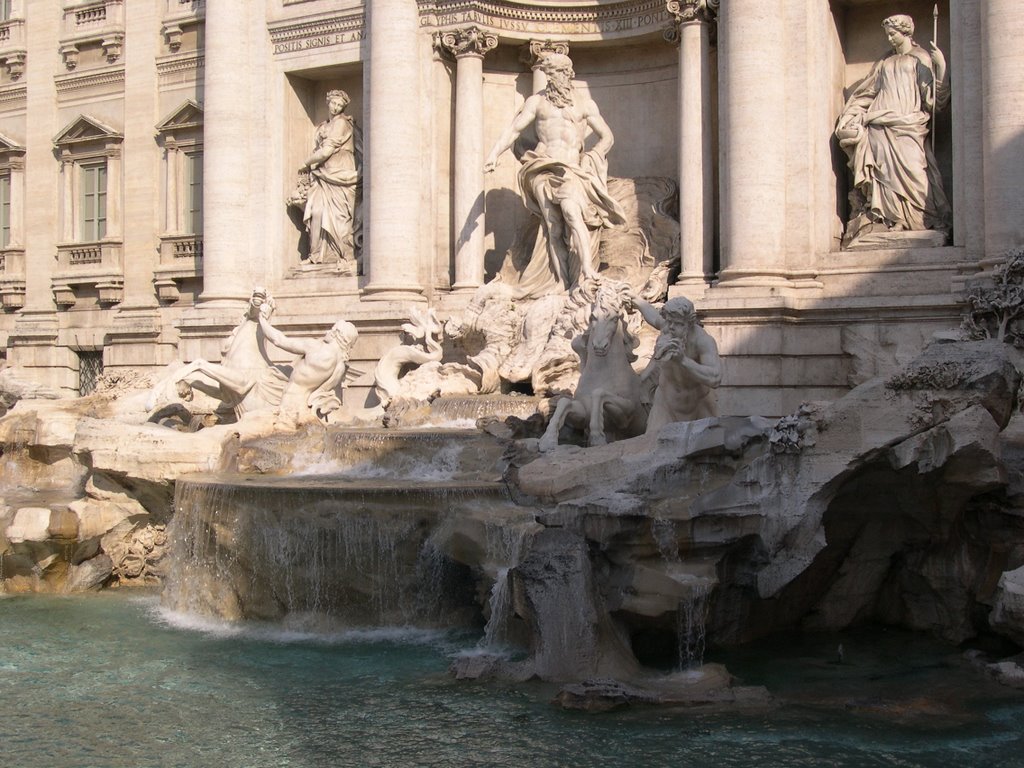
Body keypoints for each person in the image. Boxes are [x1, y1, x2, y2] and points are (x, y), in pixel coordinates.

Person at [484, 53, 626, 295]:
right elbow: (514, 129)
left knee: (572, 213)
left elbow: (607, 136)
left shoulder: (585, 105)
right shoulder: (537, 103)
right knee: (553, 226)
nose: (553, 79)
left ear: (568, 74)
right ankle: (561, 280)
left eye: (557, 73)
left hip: (572, 169)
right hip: (541, 167)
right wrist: (495, 153)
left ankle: (587, 271)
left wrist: (592, 158)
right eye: (550, 74)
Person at [835, 14, 950, 248]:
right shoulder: (884, 63)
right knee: (885, 175)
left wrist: (941, 67)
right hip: (879, 124)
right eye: (887, 34)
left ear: (905, 32)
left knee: (916, 170)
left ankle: (920, 220)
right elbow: (867, 93)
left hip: (908, 122)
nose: (889, 38)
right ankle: (893, 219)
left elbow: (933, 100)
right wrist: (850, 117)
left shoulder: (921, 59)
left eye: (892, 33)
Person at [628, 294, 721, 434]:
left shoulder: (703, 341)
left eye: (678, 324)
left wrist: (683, 361)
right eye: (669, 321)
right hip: (666, 403)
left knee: (708, 449)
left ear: (690, 324)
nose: (671, 327)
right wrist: (635, 299)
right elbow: (652, 315)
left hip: (699, 404)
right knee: (652, 444)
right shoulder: (668, 328)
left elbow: (715, 378)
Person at [258, 304, 358, 428]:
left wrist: (262, 320)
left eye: (331, 329)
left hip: (288, 408)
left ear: (336, 334)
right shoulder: (340, 367)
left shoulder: (317, 348)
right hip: (304, 410)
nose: (327, 332)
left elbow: (279, 340)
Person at [300, 89, 362, 269]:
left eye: (340, 105)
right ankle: (317, 255)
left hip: (341, 171)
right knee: (317, 211)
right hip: (323, 173)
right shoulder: (324, 125)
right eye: (334, 103)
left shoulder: (342, 124)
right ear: (328, 103)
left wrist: (306, 163)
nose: (336, 107)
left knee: (340, 218)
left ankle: (344, 255)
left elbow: (327, 151)